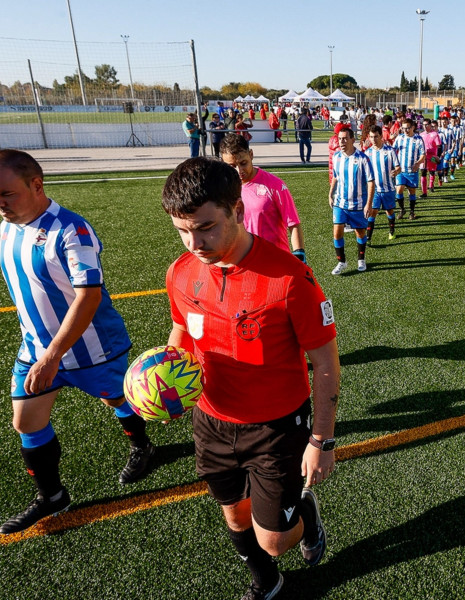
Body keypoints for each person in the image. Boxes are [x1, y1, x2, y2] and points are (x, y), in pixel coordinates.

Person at [161, 158, 340, 600]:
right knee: (235, 517)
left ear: (237, 211)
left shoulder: (290, 278)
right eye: (183, 230)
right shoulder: (181, 272)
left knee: (275, 541)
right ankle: (267, 582)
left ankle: (305, 516)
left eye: (205, 227)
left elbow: (326, 363)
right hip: (211, 420)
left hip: (276, 427)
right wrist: (167, 386)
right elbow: (182, 331)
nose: (194, 242)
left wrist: (322, 441)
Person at [0, 150, 153, 535]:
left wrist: (53, 355)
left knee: (118, 399)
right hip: (37, 350)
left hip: (91, 349)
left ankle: (142, 446)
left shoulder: (71, 230)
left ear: (36, 185)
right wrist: (43, 352)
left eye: (7, 194)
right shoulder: (8, 227)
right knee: (25, 421)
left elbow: (88, 295)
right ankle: (52, 495)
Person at [219, 133, 306, 262]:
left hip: (275, 260)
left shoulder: (275, 185)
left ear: (251, 154)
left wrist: (300, 256)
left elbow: (293, 223)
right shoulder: (223, 189)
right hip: (243, 261)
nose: (239, 171)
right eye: (231, 166)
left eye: (243, 163)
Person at [329, 127, 375, 274]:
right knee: (337, 232)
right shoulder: (336, 156)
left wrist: (368, 203)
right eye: (339, 139)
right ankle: (341, 261)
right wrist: (330, 194)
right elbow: (335, 177)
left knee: (360, 233)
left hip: (358, 204)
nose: (341, 142)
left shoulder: (363, 159)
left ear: (352, 140)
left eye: (344, 139)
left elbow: (371, 181)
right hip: (340, 203)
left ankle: (361, 259)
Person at [365, 124, 401, 241]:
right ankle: (368, 238)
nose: (373, 139)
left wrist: (395, 172)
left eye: (375, 136)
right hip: (374, 190)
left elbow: (398, 167)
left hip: (388, 189)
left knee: (389, 211)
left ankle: (392, 231)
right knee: (372, 213)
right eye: (371, 137)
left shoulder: (390, 151)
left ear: (381, 136)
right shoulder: (367, 153)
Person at [392, 118, 426, 220]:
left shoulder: (418, 139)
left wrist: (417, 163)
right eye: (403, 128)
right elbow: (393, 151)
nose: (405, 130)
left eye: (407, 128)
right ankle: (402, 209)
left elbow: (423, 154)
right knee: (399, 189)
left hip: (412, 171)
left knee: (412, 191)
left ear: (413, 128)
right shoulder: (400, 138)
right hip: (401, 170)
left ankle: (412, 212)